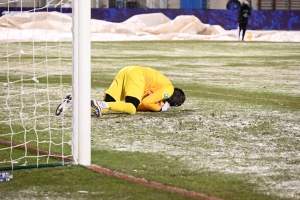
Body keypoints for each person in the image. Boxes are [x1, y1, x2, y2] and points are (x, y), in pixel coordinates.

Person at [55, 66, 186, 117]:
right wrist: (160, 109)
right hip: (137, 75)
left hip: (125, 71)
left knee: (106, 107)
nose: (177, 105)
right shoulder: (169, 88)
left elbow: (143, 103)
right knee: (131, 108)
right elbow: (146, 103)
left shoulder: (161, 87)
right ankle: (99, 104)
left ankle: (74, 101)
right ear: (177, 93)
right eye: (179, 102)